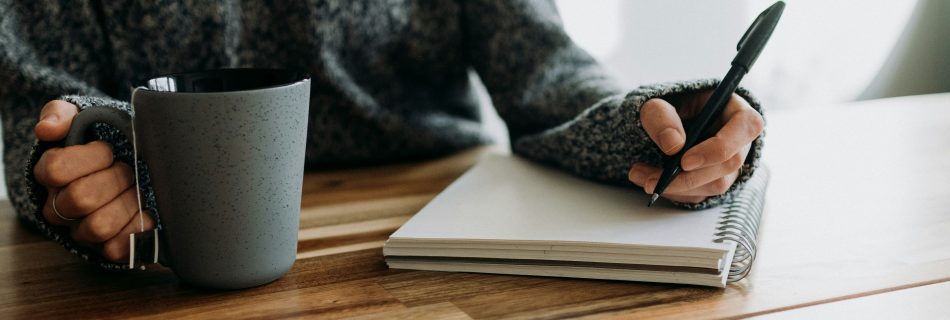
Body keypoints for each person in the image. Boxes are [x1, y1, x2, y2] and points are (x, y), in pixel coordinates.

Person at [0, 1, 764, 270]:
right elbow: (38, 100)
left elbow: (547, 75)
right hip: (172, 249)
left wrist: (657, 121)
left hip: (443, 232)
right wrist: (75, 170)